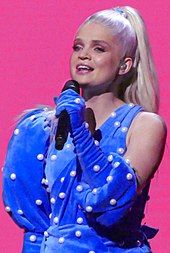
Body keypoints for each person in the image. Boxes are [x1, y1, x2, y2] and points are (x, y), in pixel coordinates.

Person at [2, 6, 167, 253]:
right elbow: (36, 229)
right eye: (78, 47)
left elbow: (111, 205)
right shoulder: (40, 128)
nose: (84, 55)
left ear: (124, 65)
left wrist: (80, 133)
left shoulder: (145, 125)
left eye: (98, 49)